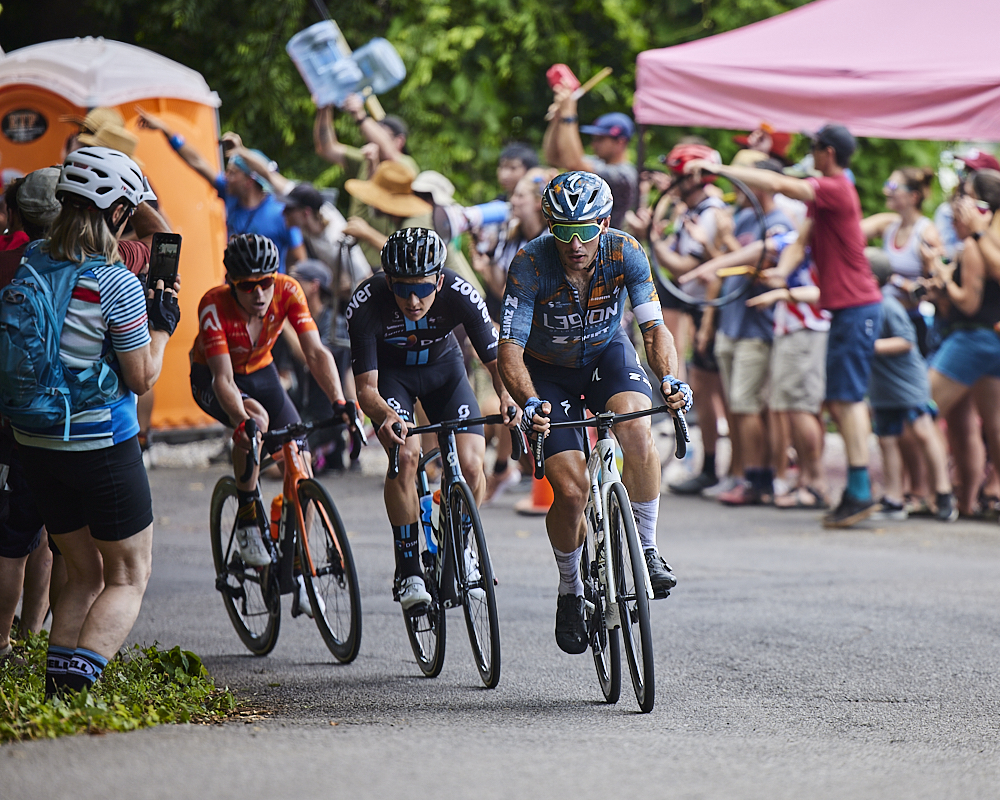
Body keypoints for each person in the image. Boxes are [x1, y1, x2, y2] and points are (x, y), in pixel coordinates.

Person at [7, 147, 180, 696]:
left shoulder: (32, 259)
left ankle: (59, 692)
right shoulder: (116, 283)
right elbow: (140, 377)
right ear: (120, 211)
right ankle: (79, 690)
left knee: (82, 569)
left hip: (34, 442)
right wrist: (162, 326)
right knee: (129, 574)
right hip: (100, 444)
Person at [497, 171, 691, 655]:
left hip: (607, 355)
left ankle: (645, 548)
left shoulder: (626, 250)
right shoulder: (529, 263)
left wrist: (667, 376)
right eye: (563, 230)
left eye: (586, 230)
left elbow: (654, 329)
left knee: (638, 430)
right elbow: (509, 350)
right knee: (569, 488)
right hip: (548, 373)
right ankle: (570, 589)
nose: (575, 243)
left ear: (603, 224)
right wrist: (529, 402)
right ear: (549, 226)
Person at [688, 124, 884, 528]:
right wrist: (784, 276)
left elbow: (779, 183)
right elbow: (799, 243)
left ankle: (860, 490)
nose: (810, 154)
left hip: (855, 307)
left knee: (846, 402)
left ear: (826, 152)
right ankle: (855, 489)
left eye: (813, 148)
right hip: (844, 309)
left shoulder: (834, 187)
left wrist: (720, 169)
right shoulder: (824, 200)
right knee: (839, 401)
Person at [348, 228, 516, 609]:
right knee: (406, 456)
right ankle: (408, 569)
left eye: (423, 290)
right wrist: (388, 417)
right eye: (402, 289)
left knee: (473, 466)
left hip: (445, 372)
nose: (412, 300)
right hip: (392, 381)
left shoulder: (459, 292)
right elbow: (366, 391)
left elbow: (495, 361)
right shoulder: (366, 302)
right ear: (387, 280)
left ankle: (462, 548)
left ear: (439, 280)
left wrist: (507, 396)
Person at [189, 234, 352, 614]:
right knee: (256, 422)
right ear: (233, 283)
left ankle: (298, 565)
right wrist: (242, 423)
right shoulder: (213, 305)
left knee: (302, 462)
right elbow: (224, 381)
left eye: (266, 282)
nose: (260, 294)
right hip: (215, 378)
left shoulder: (289, 290)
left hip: (260, 373)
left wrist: (340, 402)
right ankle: (247, 514)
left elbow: (315, 351)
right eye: (249, 286)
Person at [138, 111, 305, 272]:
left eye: (232, 173)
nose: (226, 176)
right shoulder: (230, 194)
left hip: (265, 295)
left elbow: (299, 258)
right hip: (236, 288)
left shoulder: (281, 213)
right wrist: (166, 130)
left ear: (249, 181)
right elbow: (197, 162)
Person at [924, 170, 1000, 518]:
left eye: (969, 197)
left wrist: (978, 233)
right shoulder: (975, 237)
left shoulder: (985, 233)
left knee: (919, 408)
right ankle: (966, 503)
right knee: (980, 423)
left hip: (978, 334)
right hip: (981, 334)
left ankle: (938, 493)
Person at [865, 249, 957, 522]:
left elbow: (906, 340)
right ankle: (893, 498)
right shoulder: (864, 305)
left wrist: (869, 347)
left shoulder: (887, 304)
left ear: (870, 278)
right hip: (883, 387)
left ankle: (942, 493)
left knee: (922, 429)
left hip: (907, 382)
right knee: (886, 439)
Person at [543, 81, 638, 231]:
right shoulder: (599, 163)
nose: (594, 144)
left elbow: (573, 163)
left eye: (600, 139)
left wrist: (569, 114)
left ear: (620, 142)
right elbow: (554, 157)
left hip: (609, 249)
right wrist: (558, 120)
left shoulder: (624, 175)